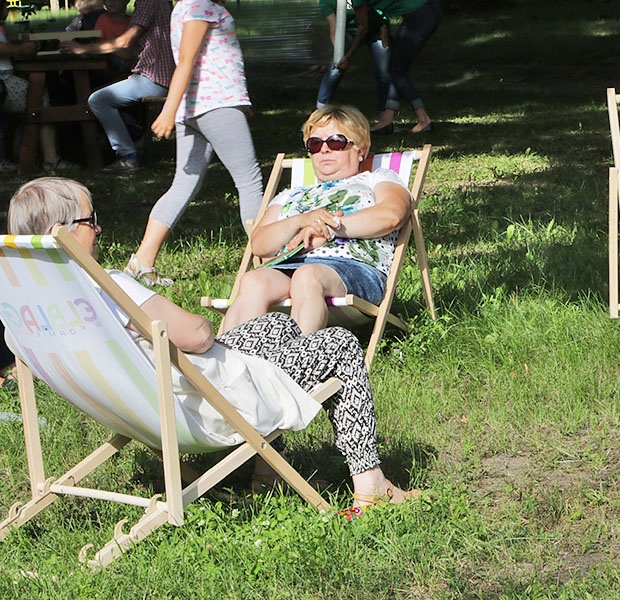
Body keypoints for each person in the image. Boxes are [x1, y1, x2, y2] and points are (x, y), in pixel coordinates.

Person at [6, 177, 417, 514]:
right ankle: (372, 486)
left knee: (275, 329)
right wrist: (200, 324)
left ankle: (269, 473)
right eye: (90, 219)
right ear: (63, 231)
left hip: (137, 405)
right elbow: (198, 336)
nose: (98, 227)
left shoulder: (35, 302)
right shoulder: (110, 285)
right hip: (207, 403)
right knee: (339, 344)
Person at [220, 105, 410, 335]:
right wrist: (302, 220)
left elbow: (391, 215)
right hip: (293, 265)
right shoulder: (290, 194)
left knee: (307, 275)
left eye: (337, 142)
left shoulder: (376, 179)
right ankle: (230, 362)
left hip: (355, 267)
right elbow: (259, 244)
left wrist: (328, 229)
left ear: (361, 149)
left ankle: (298, 363)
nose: (325, 150)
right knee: (253, 281)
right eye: (315, 144)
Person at [122, 0, 263, 287]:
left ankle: (141, 263)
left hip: (197, 107)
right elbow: (186, 60)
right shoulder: (200, 6)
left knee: (183, 184)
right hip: (215, 104)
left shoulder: (185, 7)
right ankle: (267, 259)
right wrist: (168, 111)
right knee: (249, 181)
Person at [61, 0, 175, 173]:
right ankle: (132, 143)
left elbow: (124, 41)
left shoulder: (147, 2)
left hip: (156, 78)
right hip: (160, 75)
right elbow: (127, 49)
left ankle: (129, 157)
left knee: (99, 100)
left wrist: (83, 49)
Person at [0, 4, 77, 171]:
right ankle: (50, 159)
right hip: (3, 82)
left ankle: (26, 156)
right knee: (38, 96)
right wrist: (21, 48)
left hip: (8, 78)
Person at [367, 0, 441, 134]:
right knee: (395, 68)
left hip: (420, 15)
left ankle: (423, 119)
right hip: (425, 12)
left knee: (396, 71)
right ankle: (386, 120)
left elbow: (362, 21)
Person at [316, 0, 390, 122]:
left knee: (384, 72)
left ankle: (385, 117)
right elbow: (334, 28)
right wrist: (340, 55)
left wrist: (349, 56)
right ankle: (319, 113)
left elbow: (363, 27)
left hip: (377, 28)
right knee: (335, 69)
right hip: (351, 32)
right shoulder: (326, 2)